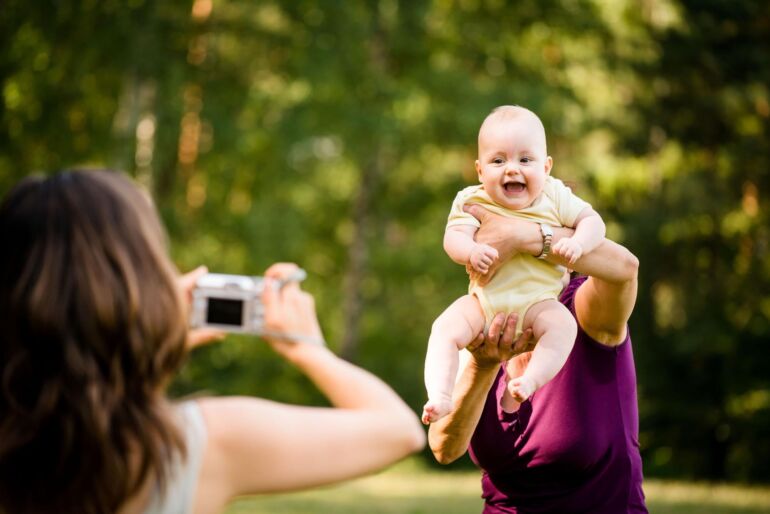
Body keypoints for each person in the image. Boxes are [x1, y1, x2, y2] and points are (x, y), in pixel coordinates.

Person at [0, 170, 426, 514]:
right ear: (142, 290)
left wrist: (146, 348)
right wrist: (307, 350)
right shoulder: (198, 445)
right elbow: (399, 431)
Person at [428, 203, 648, 513]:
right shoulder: (479, 321)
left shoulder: (583, 312)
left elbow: (625, 268)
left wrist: (524, 234)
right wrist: (482, 365)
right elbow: (444, 447)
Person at [422, 105, 606, 424]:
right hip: (484, 305)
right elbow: (453, 237)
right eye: (498, 160)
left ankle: (530, 380)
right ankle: (439, 394)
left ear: (546, 166)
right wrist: (469, 251)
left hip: (538, 305)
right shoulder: (473, 199)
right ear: (480, 171)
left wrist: (577, 243)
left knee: (564, 326)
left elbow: (594, 222)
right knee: (443, 328)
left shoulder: (555, 196)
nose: (511, 169)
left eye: (525, 159)